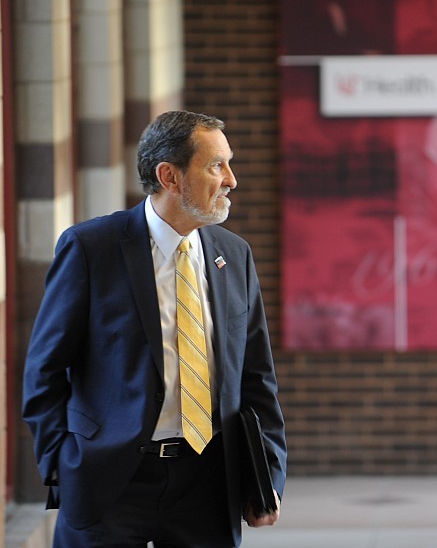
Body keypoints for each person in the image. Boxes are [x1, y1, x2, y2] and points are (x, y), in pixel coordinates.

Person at [22, 111, 286, 548]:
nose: (231, 180)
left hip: (208, 481)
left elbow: (257, 376)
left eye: (228, 163)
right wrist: (61, 464)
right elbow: (44, 371)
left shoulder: (233, 255)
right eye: (216, 165)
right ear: (170, 176)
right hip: (111, 479)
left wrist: (268, 475)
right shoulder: (92, 248)